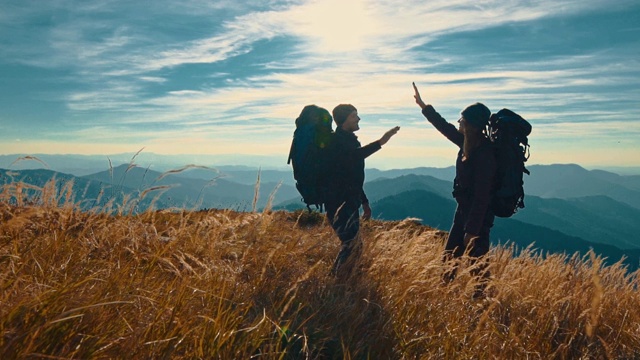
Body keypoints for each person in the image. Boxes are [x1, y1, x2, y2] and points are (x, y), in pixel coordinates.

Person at [412, 83, 496, 294]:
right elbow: (444, 127)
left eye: (462, 120)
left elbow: (482, 197)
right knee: (449, 259)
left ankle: (483, 304)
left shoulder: (485, 154)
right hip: (463, 212)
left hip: (477, 217)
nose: (458, 123)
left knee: (477, 265)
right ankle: (444, 296)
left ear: (471, 125)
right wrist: (424, 106)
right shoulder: (467, 142)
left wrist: (472, 229)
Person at [326, 104, 400, 274]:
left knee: (353, 246)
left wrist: (364, 202)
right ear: (344, 121)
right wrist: (381, 141)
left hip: (349, 201)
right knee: (352, 246)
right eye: (354, 116)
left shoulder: (349, 140)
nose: (358, 119)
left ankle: (340, 282)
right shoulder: (337, 142)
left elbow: (353, 176)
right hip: (339, 202)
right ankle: (335, 282)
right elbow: (353, 157)